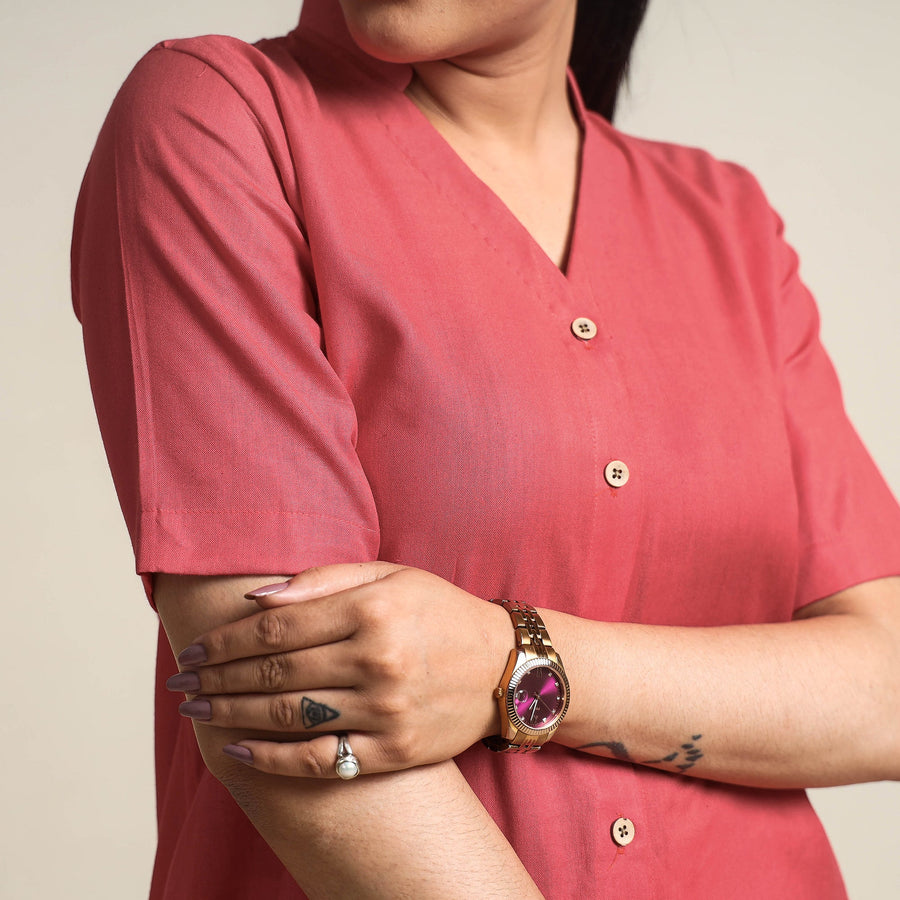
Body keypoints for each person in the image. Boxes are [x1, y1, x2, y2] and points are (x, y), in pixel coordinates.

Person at [72, 0, 900, 897]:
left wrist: (516, 664)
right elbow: (292, 711)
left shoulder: (727, 222)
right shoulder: (225, 119)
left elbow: (886, 689)